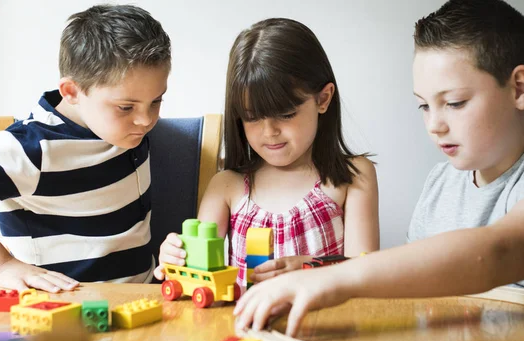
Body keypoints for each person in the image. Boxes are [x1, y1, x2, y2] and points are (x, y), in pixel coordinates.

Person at [233, 0, 524, 337]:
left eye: (454, 102)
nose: (434, 125)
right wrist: (318, 269)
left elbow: (499, 252)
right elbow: (412, 283)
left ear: (519, 88)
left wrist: (337, 280)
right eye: (424, 106)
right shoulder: (441, 183)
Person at [154, 18, 379, 286]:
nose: (269, 131)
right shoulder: (227, 187)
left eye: (285, 114)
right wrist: (175, 257)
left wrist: (311, 267)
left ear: (323, 99)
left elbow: (366, 274)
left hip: (326, 323)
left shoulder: (352, 176)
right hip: (240, 326)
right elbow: (200, 273)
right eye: (252, 117)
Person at [0, 4, 171, 292]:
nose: (146, 119)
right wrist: (0, 266)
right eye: (126, 107)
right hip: (64, 307)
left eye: (156, 101)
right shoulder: (31, 148)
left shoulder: (124, 129)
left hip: (144, 295)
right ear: (72, 92)